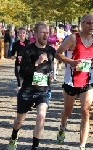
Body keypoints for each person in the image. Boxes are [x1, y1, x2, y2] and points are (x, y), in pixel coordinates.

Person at [8, 21, 55, 150]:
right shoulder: (28, 50)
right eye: (43, 33)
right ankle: (14, 136)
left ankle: (35, 147)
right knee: (19, 120)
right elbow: (22, 72)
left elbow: (50, 68)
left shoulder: (51, 50)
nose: (46, 35)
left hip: (43, 90)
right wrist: (37, 62)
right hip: (27, 90)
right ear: (36, 34)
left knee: (41, 116)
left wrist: (51, 76)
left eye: (47, 32)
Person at [55, 14, 93, 150]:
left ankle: (82, 146)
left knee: (85, 111)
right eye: (89, 23)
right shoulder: (73, 38)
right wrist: (72, 62)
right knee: (68, 111)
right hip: (71, 81)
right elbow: (58, 54)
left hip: (88, 81)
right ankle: (63, 125)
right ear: (82, 24)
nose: (91, 25)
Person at [11, 27, 30, 92]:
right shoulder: (16, 44)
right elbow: (12, 52)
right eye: (20, 33)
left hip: (27, 64)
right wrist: (12, 56)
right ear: (18, 34)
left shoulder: (29, 43)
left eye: (23, 33)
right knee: (19, 78)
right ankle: (20, 94)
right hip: (18, 63)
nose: (22, 34)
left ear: (26, 34)